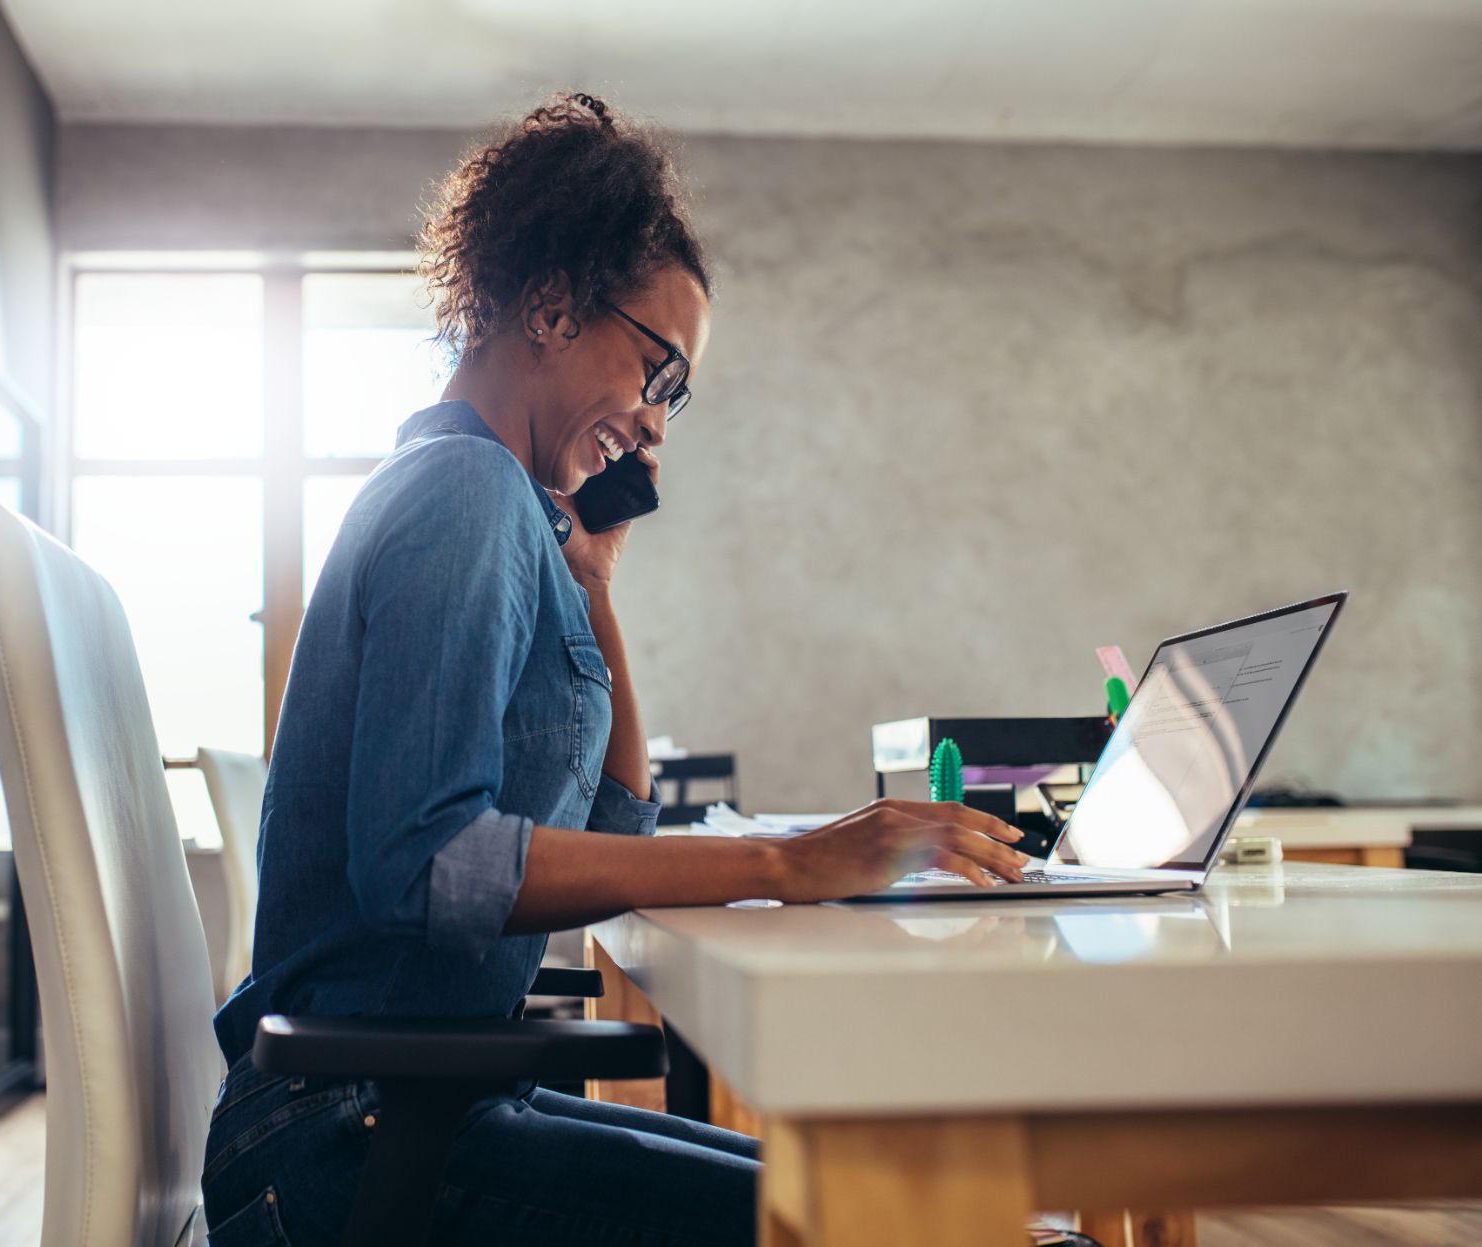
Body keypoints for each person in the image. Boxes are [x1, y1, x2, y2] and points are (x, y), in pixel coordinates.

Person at [200, 90, 1029, 1247]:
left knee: (898, 1199)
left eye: (674, 395)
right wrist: (789, 859)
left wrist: (592, 585)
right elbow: (428, 863)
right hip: (349, 1143)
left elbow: (614, 835)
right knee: (906, 1222)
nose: (656, 424)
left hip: (404, 1109)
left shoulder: (492, 504)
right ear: (548, 306)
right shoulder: (462, 492)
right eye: (659, 372)